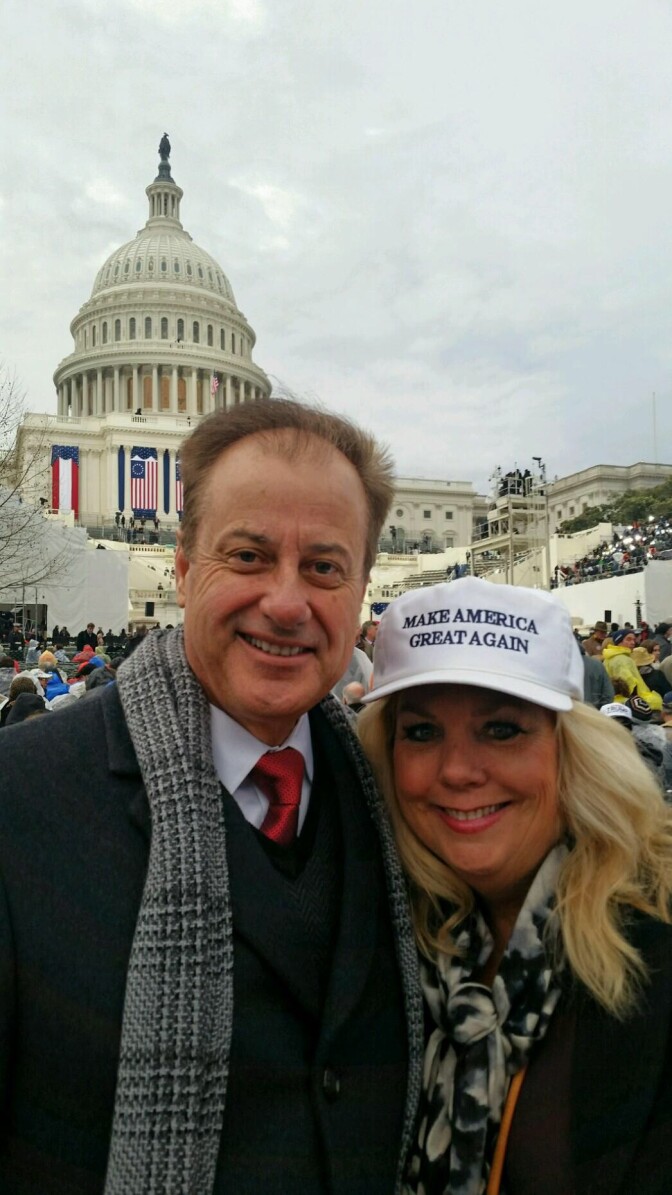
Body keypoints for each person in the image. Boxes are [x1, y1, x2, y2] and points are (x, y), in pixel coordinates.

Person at [0, 399, 423, 1195]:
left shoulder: (404, 804)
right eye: (250, 555)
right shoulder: (19, 803)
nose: (288, 602)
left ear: (363, 590)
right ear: (186, 569)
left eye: (325, 567)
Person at [358, 577, 672, 1195]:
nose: (457, 771)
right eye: (421, 732)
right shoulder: (378, 941)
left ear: (571, 750)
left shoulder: (655, 940)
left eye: (501, 729)